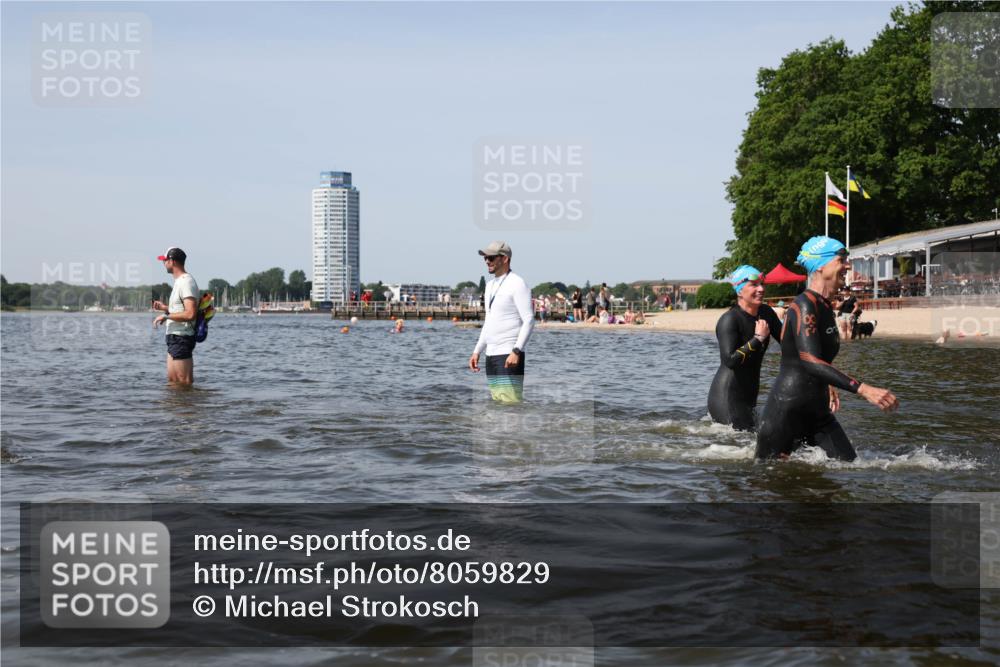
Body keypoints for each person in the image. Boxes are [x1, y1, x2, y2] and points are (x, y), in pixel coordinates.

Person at [755, 237, 899, 461]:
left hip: (818, 411)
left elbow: (816, 358)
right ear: (822, 266)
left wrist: (829, 380)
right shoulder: (805, 304)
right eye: (842, 260)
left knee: (850, 466)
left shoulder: (823, 306)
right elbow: (809, 359)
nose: (848, 266)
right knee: (772, 487)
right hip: (787, 413)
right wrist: (863, 389)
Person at [707, 266, 783, 431]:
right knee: (738, 450)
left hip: (749, 396)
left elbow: (788, 342)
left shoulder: (766, 313)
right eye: (754, 285)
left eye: (761, 284)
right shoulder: (729, 320)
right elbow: (730, 360)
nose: (761, 289)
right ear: (740, 291)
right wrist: (758, 339)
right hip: (726, 398)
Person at [468, 241, 534, 403]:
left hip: (508, 354)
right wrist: (477, 351)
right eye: (485, 258)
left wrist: (516, 351)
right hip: (491, 354)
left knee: (510, 404)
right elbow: (488, 321)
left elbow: (529, 320)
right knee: (497, 403)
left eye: (491, 258)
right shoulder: (489, 285)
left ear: (504, 259)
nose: (486, 261)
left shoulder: (518, 283)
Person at [151, 247, 199, 385]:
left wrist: (166, 316)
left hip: (182, 338)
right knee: (173, 382)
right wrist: (165, 308)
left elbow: (190, 313)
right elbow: (181, 309)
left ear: (172, 261)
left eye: (165, 260)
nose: (163, 263)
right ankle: (176, 407)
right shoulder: (179, 282)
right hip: (174, 338)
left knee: (183, 383)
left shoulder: (186, 281)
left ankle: (188, 406)